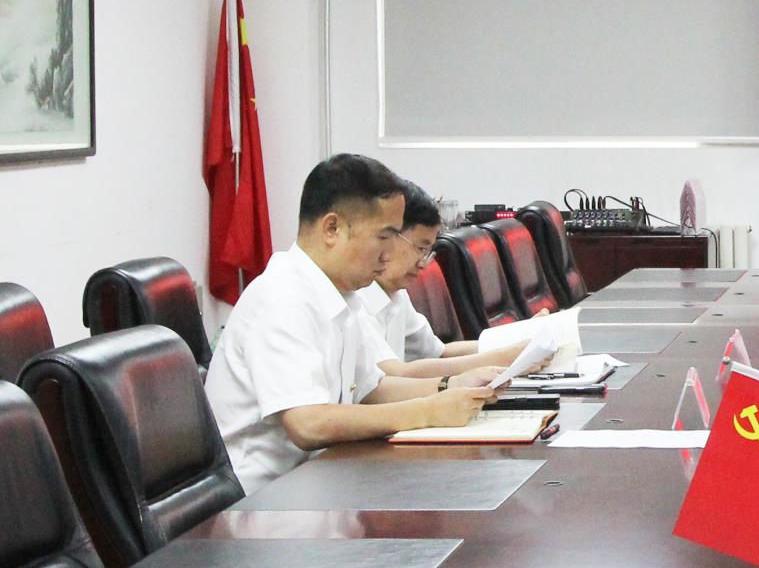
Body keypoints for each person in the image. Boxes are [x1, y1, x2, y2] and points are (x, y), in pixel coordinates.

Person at [205, 154, 501, 494]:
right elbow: (308, 423)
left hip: (322, 481)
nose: (389, 254)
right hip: (265, 501)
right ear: (332, 228)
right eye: (384, 237)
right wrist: (428, 411)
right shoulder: (283, 299)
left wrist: (451, 385)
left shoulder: (341, 294)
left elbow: (372, 390)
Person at [357, 181, 544, 378]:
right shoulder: (358, 297)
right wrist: (505, 357)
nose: (423, 264)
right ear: (387, 236)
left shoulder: (396, 293)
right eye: (420, 249)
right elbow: (392, 374)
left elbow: (440, 352)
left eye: (428, 252)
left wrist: (518, 340)